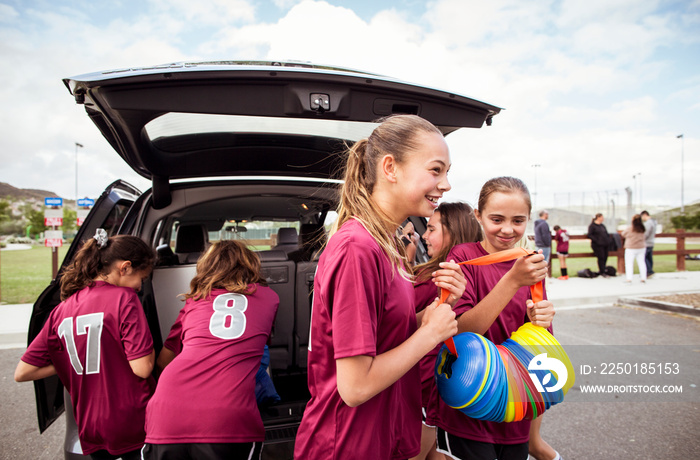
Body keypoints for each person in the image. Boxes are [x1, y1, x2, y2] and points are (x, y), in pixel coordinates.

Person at [293, 114, 465, 460]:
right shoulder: (357, 248)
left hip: (380, 438)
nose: (446, 185)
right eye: (436, 170)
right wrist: (429, 335)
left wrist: (426, 318)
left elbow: (382, 335)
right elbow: (355, 387)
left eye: (447, 173)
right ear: (390, 168)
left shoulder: (387, 245)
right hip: (346, 445)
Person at [430, 176, 558, 460]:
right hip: (469, 402)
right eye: (497, 219)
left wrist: (542, 318)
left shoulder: (529, 264)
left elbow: (540, 344)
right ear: (478, 216)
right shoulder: (462, 257)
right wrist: (512, 280)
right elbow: (459, 331)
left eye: (518, 220)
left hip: (514, 407)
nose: (507, 229)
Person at [15, 230, 156, 460]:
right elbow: (142, 368)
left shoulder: (62, 309)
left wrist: (71, 360)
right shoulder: (125, 299)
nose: (140, 286)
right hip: (132, 420)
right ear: (125, 267)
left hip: (89, 424)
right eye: (142, 277)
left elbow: (23, 372)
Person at [142, 240, 279, 460]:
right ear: (251, 264)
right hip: (227, 418)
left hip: (167, 413)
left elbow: (163, 361)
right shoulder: (270, 297)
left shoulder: (194, 301)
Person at [411, 202, 482, 460]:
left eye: (431, 229)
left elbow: (406, 320)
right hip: (437, 378)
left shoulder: (443, 278)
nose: (424, 236)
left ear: (453, 232)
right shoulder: (463, 274)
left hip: (423, 379)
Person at [621, 214, 647, 284]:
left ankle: (629, 278)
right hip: (641, 247)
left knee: (629, 263)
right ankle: (643, 278)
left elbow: (623, 234)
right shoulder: (642, 228)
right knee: (642, 262)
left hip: (631, 247)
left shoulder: (630, 228)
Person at [587, 213, 610, 277]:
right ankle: (602, 271)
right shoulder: (592, 226)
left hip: (605, 244)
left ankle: (603, 269)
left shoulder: (602, 225)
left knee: (605, 257)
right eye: (602, 217)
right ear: (598, 218)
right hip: (597, 245)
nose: (603, 218)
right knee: (601, 257)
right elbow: (590, 235)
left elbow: (606, 233)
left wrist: (608, 240)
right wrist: (597, 241)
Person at [641, 210, 656, 277]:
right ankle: (649, 271)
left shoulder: (648, 223)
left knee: (644, 257)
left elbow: (646, 233)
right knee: (649, 258)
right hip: (651, 242)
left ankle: (649, 271)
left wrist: (641, 238)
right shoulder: (654, 222)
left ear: (644, 215)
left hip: (647, 242)